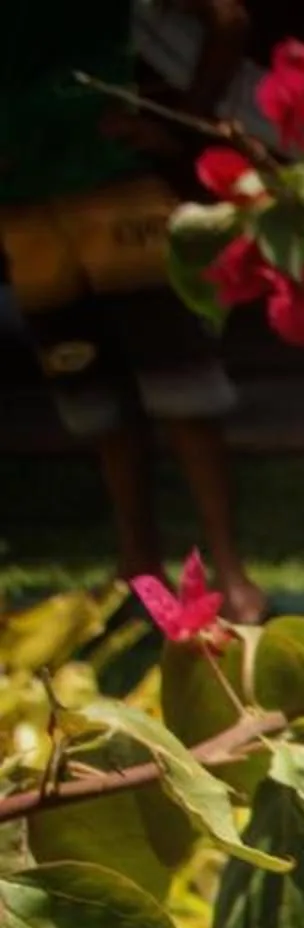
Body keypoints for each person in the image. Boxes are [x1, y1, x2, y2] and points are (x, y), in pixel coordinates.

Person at [0, 0, 266, 621]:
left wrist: (185, 119)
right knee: (92, 393)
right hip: (25, 210)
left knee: (182, 386)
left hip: (116, 190)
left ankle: (229, 572)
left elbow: (226, 17)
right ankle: (137, 569)